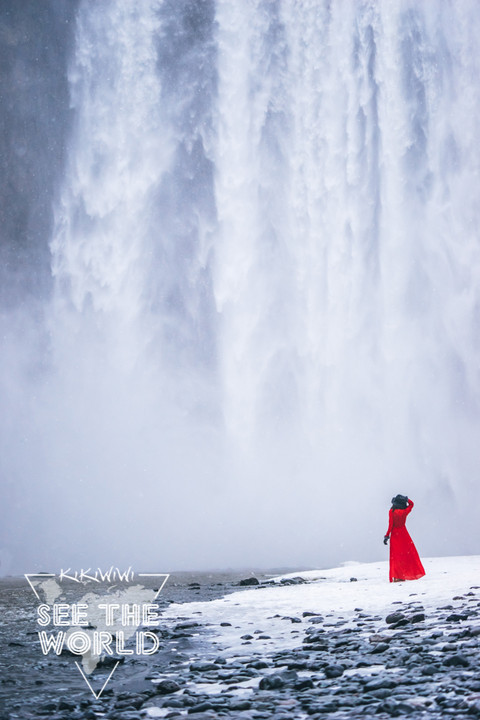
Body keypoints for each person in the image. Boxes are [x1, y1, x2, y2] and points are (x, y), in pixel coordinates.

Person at [383, 495, 425, 582]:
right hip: (404, 534)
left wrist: (387, 536)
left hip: (395, 534)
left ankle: (398, 576)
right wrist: (406, 499)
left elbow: (390, 525)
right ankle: (403, 575)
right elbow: (411, 504)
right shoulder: (405, 511)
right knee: (405, 555)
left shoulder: (391, 511)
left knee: (396, 556)